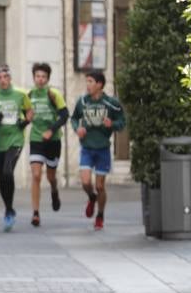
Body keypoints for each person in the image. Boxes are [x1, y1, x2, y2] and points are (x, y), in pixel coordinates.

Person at [71, 71, 126, 231]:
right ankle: (91, 197)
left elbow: (122, 121)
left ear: (99, 84)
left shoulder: (111, 103)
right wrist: (77, 128)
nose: (87, 85)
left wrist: (112, 125)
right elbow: (74, 118)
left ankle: (100, 215)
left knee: (100, 186)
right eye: (86, 81)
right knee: (86, 182)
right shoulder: (82, 102)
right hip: (87, 148)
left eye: (90, 81)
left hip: (102, 148)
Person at [0, 65, 33, 233]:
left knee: (7, 172)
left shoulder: (21, 94)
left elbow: (29, 111)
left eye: (6, 77)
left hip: (15, 140)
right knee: (2, 178)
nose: (3, 80)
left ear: (10, 78)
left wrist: (25, 122)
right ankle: (9, 208)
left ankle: (9, 210)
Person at [27, 62, 69, 227]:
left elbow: (65, 115)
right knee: (36, 175)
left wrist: (51, 130)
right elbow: (26, 115)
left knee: (51, 176)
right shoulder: (29, 95)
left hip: (53, 140)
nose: (40, 79)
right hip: (36, 139)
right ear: (34, 77)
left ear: (48, 78)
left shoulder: (54, 94)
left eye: (43, 76)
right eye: (38, 76)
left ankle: (54, 189)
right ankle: (36, 213)